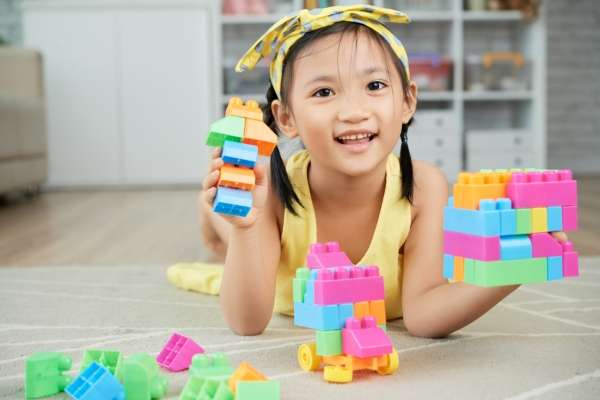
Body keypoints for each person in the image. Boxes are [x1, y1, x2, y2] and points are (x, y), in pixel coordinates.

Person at [171, 5, 555, 337]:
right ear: (286, 117)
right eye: (324, 92)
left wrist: (517, 263)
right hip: (270, 215)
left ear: (406, 102)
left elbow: (422, 315)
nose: (354, 110)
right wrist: (244, 225)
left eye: (374, 85)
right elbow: (247, 323)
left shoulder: (424, 186)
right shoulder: (271, 187)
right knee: (225, 227)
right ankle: (214, 224)